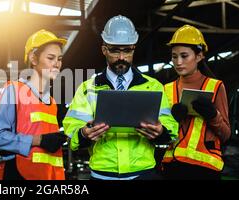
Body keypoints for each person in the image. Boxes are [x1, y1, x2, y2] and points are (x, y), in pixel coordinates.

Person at [63, 15, 178, 180]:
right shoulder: (87, 89)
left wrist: (161, 132)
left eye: (127, 50)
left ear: (134, 48)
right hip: (103, 174)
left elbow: (170, 128)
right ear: (104, 50)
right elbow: (72, 131)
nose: (122, 57)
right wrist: (84, 133)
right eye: (115, 50)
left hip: (143, 173)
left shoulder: (153, 87)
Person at [0, 29, 68, 180]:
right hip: (18, 174)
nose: (57, 64)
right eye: (51, 58)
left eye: (59, 58)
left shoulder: (51, 101)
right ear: (34, 59)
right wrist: (39, 140)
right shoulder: (14, 90)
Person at [161, 25, 231, 180]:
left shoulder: (215, 86)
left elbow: (226, 135)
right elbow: (158, 134)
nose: (178, 62)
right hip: (171, 167)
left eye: (184, 56)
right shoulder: (166, 89)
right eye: (174, 56)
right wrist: (171, 121)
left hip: (205, 170)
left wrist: (213, 115)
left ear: (199, 56)